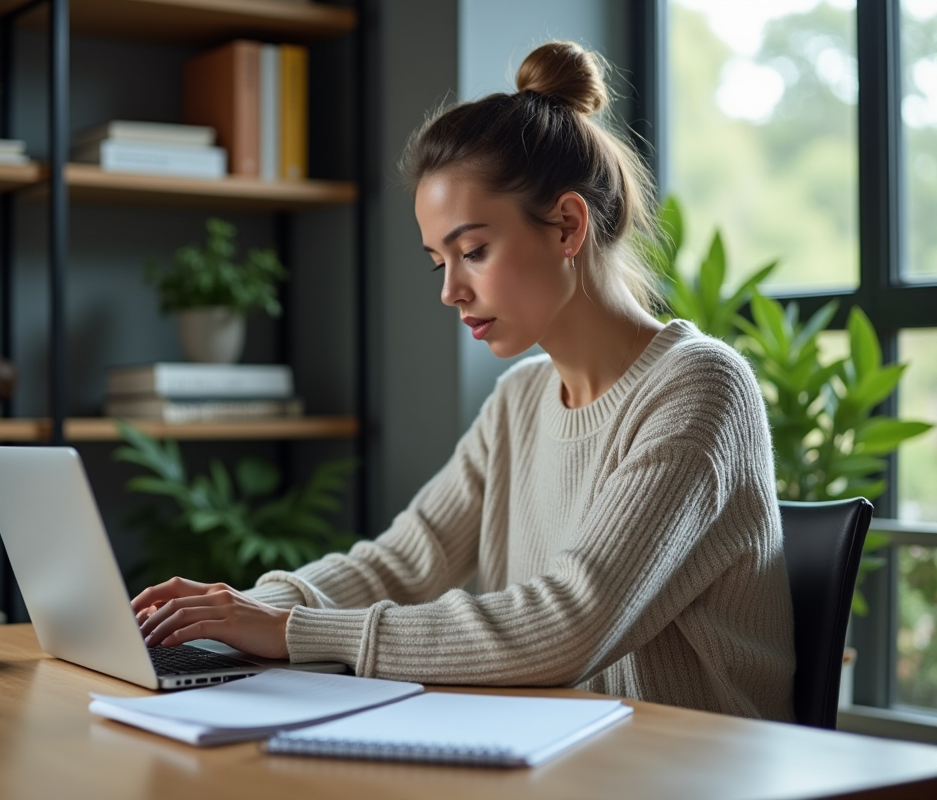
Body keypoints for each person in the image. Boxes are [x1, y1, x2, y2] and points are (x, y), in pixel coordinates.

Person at [131, 40, 795, 721]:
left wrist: (291, 632)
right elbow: (400, 564)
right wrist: (234, 613)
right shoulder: (521, 400)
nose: (451, 291)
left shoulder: (701, 388)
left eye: (473, 251)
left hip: (687, 771)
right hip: (556, 753)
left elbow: (570, 624)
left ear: (567, 226)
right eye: (437, 262)